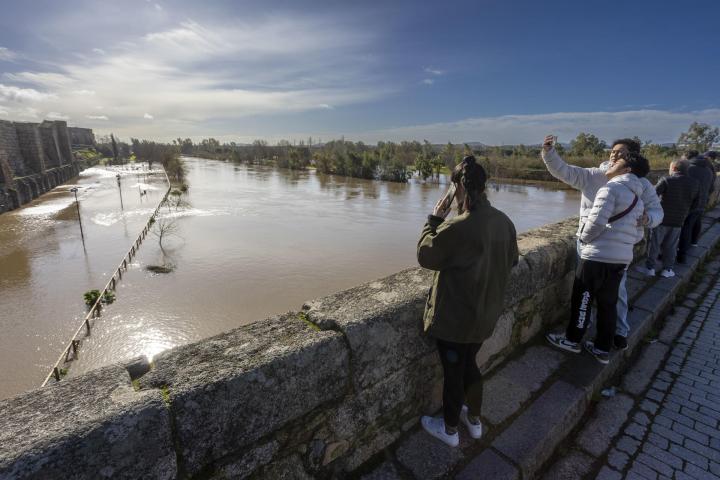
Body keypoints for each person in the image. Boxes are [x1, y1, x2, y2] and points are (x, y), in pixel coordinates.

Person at [417, 155, 518, 447]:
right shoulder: (504, 222)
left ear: (458, 187)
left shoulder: (459, 226)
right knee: (469, 365)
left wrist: (434, 220)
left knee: (453, 372)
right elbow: (512, 261)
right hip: (485, 316)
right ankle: (474, 420)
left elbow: (426, 256)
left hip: (455, 320)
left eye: (452, 187)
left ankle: (449, 430)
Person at [541, 137, 663, 350]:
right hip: (603, 249)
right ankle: (595, 338)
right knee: (597, 297)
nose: (614, 155)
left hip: (599, 245)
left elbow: (657, 211)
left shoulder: (641, 184)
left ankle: (618, 332)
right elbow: (564, 170)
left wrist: (647, 219)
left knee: (612, 295)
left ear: (631, 158)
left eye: (621, 153)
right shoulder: (594, 176)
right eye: (613, 151)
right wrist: (549, 153)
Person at [645, 160, 699, 277]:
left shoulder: (667, 180)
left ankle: (650, 268)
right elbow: (696, 204)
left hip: (661, 219)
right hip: (679, 220)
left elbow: (652, 195)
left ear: (674, 168)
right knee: (671, 246)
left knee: (654, 245)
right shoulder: (695, 183)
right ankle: (667, 269)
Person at [678, 150, 716, 261]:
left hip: (689, 202)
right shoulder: (709, 170)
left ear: (688, 157)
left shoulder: (689, 168)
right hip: (702, 201)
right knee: (695, 221)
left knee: (685, 227)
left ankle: (681, 254)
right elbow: (712, 188)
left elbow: (683, 184)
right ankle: (693, 243)